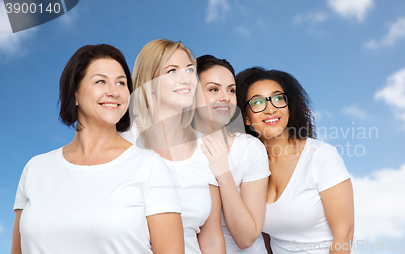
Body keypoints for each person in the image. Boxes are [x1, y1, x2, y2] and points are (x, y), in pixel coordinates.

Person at [11, 44, 184, 254]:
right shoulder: (35, 169)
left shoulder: (149, 167)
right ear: (74, 94)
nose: (114, 92)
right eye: (101, 81)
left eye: (121, 83)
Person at [235, 67, 355, 254]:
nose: (270, 108)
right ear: (246, 118)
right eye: (258, 102)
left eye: (278, 98)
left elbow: (344, 235)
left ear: (289, 108)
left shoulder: (321, 156)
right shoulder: (249, 166)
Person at [126, 39, 225, 254]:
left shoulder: (205, 147)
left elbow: (211, 238)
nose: (186, 79)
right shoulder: (123, 143)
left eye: (190, 70)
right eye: (171, 71)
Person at [192, 55, 270, 253]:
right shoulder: (176, 148)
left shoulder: (250, 149)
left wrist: (223, 173)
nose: (225, 97)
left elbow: (246, 238)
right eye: (213, 89)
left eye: (231, 90)